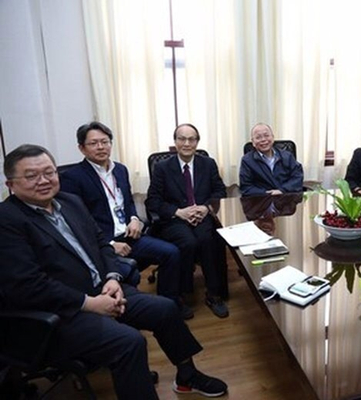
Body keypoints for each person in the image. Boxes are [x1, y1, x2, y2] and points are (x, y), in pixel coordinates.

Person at [0, 144, 227, 399]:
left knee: (166, 309)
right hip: (59, 313)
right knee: (129, 342)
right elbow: (27, 286)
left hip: (103, 290)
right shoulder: (7, 220)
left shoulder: (69, 202)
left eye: (49, 172)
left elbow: (101, 244)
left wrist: (112, 277)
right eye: (31, 176)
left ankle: (187, 376)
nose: (43, 181)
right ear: (11, 184)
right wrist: (89, 303)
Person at [60, 122, 193, 320]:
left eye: (105, 142)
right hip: (102, 243)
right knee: (131, 269)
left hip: (130, 235)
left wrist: (134, 218)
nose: (101, 147)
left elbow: (128, 201)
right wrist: (109, 243)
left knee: (171, 252)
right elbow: (77, 221)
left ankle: (170, 303)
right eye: (94, 143)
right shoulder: (72, 177)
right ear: (82, 148)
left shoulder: (120, 169)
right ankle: (127, 312)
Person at [145, 123, 229, 318]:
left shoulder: (208, 164)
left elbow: (220, 191)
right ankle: (181, 294)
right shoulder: (162, 168)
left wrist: (206, 207)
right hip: (175, 219)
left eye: (191, 139)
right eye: (182, 139)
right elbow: (153, 201)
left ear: (197, 142)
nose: (186, 143)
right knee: (187, 242)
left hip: (202, 215)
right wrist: (178, 212)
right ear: (175, 142)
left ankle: (214, 294)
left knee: (209, 240)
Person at [239, 123, 304, 196]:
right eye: (258, 137)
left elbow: (297, 178)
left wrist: (282, 190)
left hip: (286, 198)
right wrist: (268, 193)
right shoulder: (247, 161)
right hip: (261, 200)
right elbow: (246, 187)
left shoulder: (287, 156)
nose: (263, 139)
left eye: (266, 135)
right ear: (253, 142)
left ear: (273, 138)